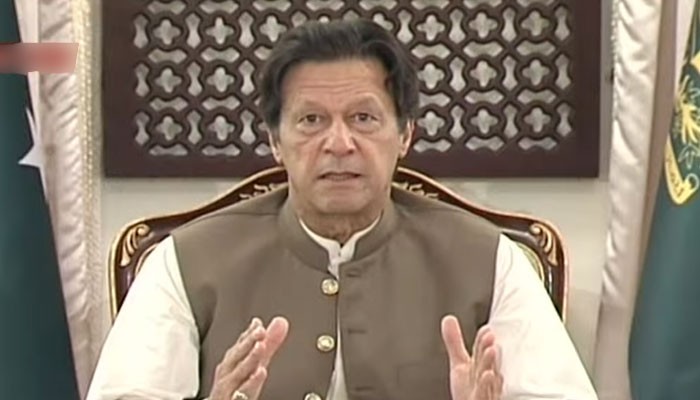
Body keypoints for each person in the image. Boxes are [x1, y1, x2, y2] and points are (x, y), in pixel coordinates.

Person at [87, 19, 598, 400]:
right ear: (275, 141)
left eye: (363, 118)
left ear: (405, 135)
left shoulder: (488, 259)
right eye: (311, 120)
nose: (339, 143)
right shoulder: (186, 261)